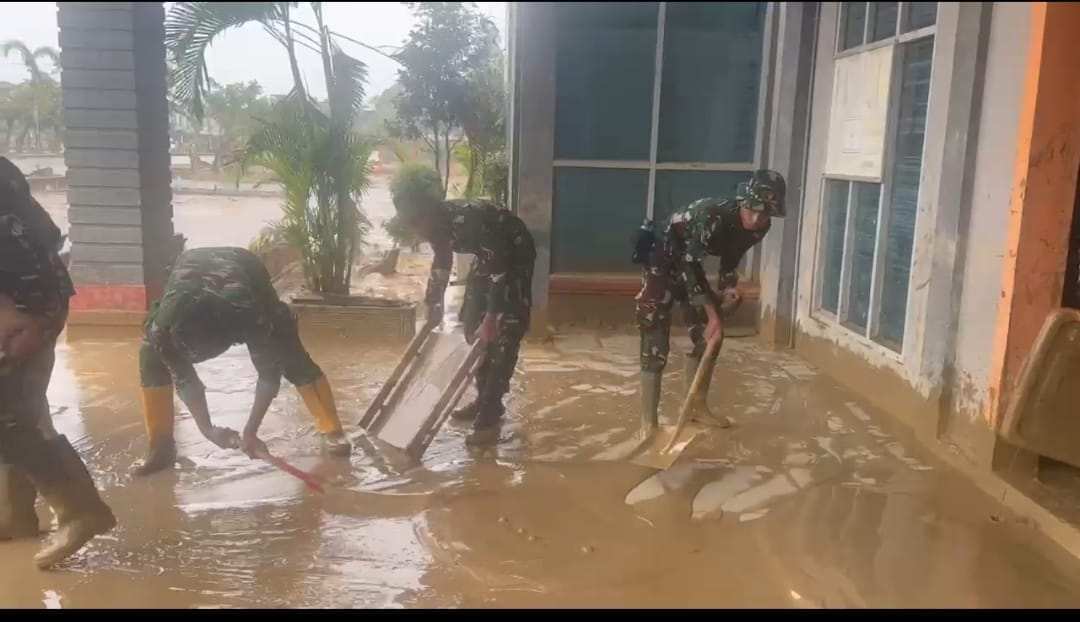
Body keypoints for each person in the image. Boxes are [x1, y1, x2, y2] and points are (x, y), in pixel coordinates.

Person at [133, 246, 350, 476]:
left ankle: (332, 431)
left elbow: (268, 376)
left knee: (288, 353)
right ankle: (161, 447)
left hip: (246, 268)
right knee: (151, 357)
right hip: (189, 270)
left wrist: (250, 431)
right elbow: (187, 381)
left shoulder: (249, 315)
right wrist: (207, 429)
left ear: (223, 341)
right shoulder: (162, 330)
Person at [0, 157, 117, 569]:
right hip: (37, 301)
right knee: (18, 406)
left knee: (8, 417)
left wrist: (11, 309)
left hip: (17, 308)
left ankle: (78, 510)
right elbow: (45, 230)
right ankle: (14, 514)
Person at [390, 164, 536, 447]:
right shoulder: (434, 226)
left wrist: (493, 317)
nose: (415, 230)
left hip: (513, 255)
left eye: (416, 222)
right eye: (410, 223)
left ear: (428, 213)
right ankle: (482, 398)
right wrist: (432, 304)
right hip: (488, 258)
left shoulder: (467, 220)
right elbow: (442, 261)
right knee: (471, 323)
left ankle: (490, 414)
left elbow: (500, 271)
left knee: (504, 331)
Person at [633, 169, 785, 434]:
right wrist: (714, 312)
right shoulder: (712, 215)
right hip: (662, 259)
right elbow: (689, 267)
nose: (757, 218)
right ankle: (649, 422)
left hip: (690, 265)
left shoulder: (760, 227)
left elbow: (731, 256)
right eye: (753, 210)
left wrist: (728, 288)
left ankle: (696, 406)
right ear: (743, 201)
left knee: (710, 335)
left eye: (765, 213)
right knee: (655, 333)